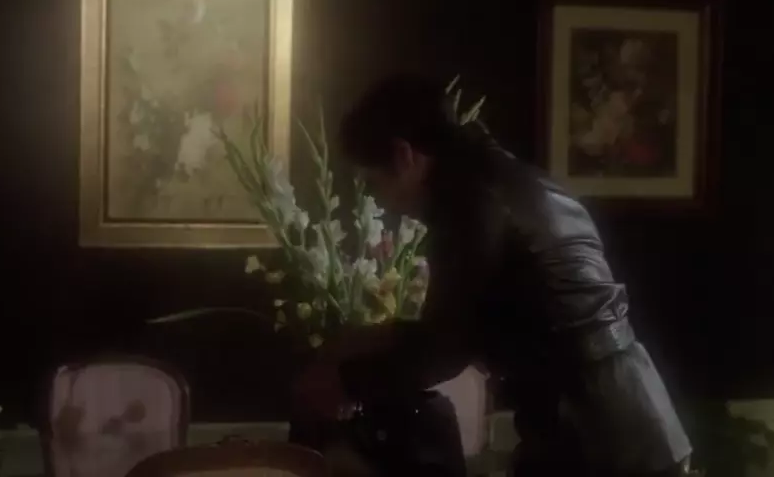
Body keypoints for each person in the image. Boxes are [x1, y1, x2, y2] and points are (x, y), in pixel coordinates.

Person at [292, 74, 693, 476]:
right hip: (627, 423)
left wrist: (345, 383)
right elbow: (470, 322)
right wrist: (372, 339)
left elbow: (445, 351)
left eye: (373, 182)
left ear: (403, 155)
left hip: (597, 439)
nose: (379, 200)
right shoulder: (498, 178)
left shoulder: (468, 202)